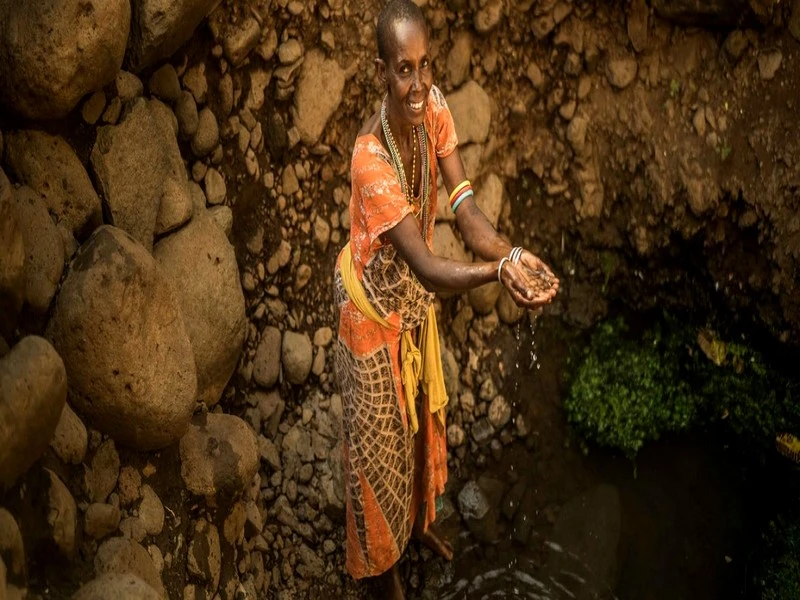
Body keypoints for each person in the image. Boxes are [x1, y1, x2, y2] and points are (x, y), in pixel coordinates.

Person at [333, 1, 559, 597]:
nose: (419, 82)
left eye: (425, 65)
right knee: (377, 459)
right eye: (403, 69)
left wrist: (508, 255)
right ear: (380, 70)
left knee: (414, 428)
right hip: (371, 315)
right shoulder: (369, 159)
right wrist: (494, 275)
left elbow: (465, 207)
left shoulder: (432, 109)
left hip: (409, 300)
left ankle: (414, 530)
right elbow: (429, 266)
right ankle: (388, 582)